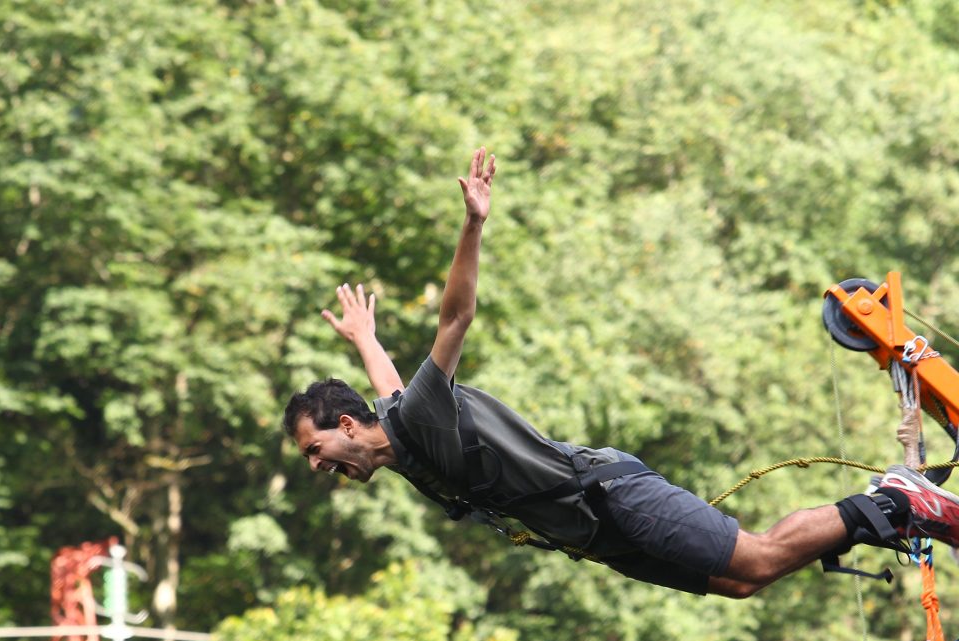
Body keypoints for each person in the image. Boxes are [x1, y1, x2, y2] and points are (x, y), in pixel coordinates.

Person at [283, 147, 959, 598]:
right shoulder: (400, 437)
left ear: (346, 425)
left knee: (754, 558)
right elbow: (387, 388)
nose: (318, 467)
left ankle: (896, 502)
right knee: (740, 584)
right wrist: (366, 337)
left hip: (610, 497)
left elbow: (454, 320)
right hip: (596, 538)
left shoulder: (419, 416)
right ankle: (886, 512)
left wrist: (472, 225)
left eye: (316, 451)